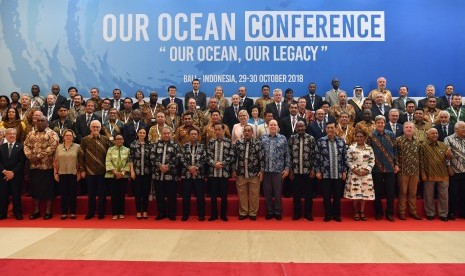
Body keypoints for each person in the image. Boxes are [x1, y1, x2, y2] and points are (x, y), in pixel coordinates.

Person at [24, 115, 59, 220]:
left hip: (47, 167)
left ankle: (48, 211)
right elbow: (26, 145)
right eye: (38, 121)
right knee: (35, 189)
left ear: (47, 122)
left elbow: (52, 147)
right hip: (33, 166)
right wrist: (30, 156)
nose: (40, 122)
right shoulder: (30, 134)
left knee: (48, 190)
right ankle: (36, 211)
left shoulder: (52, 134)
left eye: (42, 120)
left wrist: (37, 156)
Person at [366, 115, 398, 222]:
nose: (380, 124)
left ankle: (390, 213)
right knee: (377, 192)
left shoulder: (391, 134)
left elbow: (395, 151)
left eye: (382, 122)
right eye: (378, 122)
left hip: (390, 167)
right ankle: (378, 212)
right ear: (375, 124)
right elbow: (367, 152)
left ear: (385, 123)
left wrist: (396, 164)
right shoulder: (370, 136)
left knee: (390, 192)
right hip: (376, 168)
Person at [315, 122, 348, 222]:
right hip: (325, 173)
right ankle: (328, 215)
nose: (330, 129)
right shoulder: (321, 141)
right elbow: (316, 157)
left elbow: (345, 158)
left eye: (332, 128)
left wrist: (344, 171)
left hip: (338, 173)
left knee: (337, 196)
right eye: (328, 128)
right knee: (326, 196)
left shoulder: (341, 141)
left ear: (335, 129)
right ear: (326, 129)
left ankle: (336, 215)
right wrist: (317, 171)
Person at [79, 120, 110, 220]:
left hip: (102, 171)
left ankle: (101, 213)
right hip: (89, 171)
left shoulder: (105, 139)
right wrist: (82, 170)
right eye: (94, 127)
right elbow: (81, 156)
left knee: (102, 194)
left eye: (97, 127)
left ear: (100, 128)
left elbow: (109, 155)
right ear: (90, 128)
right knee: (91, 194)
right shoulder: (85, 140)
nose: (95, 129)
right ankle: (91, 212)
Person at [420, 128, 453, 221]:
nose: (435, 135)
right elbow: (421, 161)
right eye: (432, 133)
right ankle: (430, 213)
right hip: (429, 174)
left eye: (436, 133)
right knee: (428, 195)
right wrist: (422, 174)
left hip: (443, 173)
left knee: (444, 195)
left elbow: (450, 158)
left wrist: (449, 155)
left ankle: (443, 214)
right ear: (428, 135)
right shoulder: (423, 146)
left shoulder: (443, 145)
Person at [233, 124, 264, 221]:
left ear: (252, 133)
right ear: (243, 133)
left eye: (248, 131)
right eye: (245, 131)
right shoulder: (238, 143)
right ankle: (243, 212)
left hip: (254, 173)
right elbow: (234, 158)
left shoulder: (258, 143)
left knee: (254, 194)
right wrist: (234, 170)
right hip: (241, 173)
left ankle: (252, 213)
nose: (246, 132)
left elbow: (262, 158)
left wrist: (261, 170)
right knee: (242, 194)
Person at [261, 119, 290, 220]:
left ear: (277, 127)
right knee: (267, 192)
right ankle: (269, 211)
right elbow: (260, 155)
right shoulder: (263, 138)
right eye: (271, 125)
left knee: (278, 193)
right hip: (266, 170)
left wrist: (287, 169)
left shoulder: (283, 138)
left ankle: (277, 211)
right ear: (268, 126)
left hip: (278, 170)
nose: (273, 126)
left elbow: (287, 155)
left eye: (274, 125)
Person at [344, 129, 375, 221]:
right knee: (355, 194)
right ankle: (356, 211)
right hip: (354, 173)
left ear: (364, 137)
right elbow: (348, 160)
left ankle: (362, 211)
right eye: (357, 136)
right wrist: (354, 169)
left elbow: (372, 160)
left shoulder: (369, 148)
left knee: (364, 194)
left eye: (361, 136)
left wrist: (367, 170)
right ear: (355, 137)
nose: (359, 138)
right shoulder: (351, 148)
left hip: (366, 174)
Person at [288, 121, 316, 220]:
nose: (300, 128)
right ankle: (297, 213)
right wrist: (290, 170)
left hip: (308, 172)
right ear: (296, 128)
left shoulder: (311, 139)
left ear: (305, 127)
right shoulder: (292, 139)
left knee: (308, 195)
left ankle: (308, 213)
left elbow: (314, 155)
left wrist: (313, 169)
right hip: (295, 172)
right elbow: (289, 156)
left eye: (302, 126)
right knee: (296, 194)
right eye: (298, 127)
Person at [151, 127, 180, 221]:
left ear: (171, 134)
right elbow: (152, 156)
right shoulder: (155, 144)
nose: (166, 135)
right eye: (165, 133)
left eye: (168, 133)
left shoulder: (175, 145)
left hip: (171, 175)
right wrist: (159, 166)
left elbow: (178, 158)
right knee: (160, 196)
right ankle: (161, 213)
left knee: (172, 196)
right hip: (158, 175)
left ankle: (171, 214)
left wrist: (168, 167)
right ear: (161, 134)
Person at [207, 123, 234, 221]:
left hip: (224, 172)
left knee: (224, 196)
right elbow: (207, 156)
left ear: (223, 131)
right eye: (216, 130)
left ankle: (223, 215)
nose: (218, 131)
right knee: (213, 196)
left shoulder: (228, 142)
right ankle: (213, 215)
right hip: (212, 172)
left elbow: (231, 156)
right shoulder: (210, 142)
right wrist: (214, 164)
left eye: (220, 130)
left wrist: (221, 164)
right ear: (214, 131)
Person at [396, 122, 422, 220]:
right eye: (406, 127)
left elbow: (420, 156)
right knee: (403, 192)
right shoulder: (398, 140)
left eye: (410, 127)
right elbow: (396, 155)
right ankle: (401, 212)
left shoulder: (418, 141)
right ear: (403, 129)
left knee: (413, 193)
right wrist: (397, 166)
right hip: (403, 171)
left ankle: (413, 211)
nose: (408, 129)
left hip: (415, 171)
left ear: (414, 129)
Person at [53, 129, 80, 220]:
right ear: (63, 137)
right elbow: (55, 161)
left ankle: (72, 212)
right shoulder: (59, 147)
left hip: (73, 173)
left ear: (73, 137)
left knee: (73, 194)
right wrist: (55, 173)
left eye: (70, 135)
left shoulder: (77, 147)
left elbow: (80, 161)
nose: (68, 137)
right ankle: (64, 212)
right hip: (62, 173)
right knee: (63, 194)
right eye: (67, 135)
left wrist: (79, 172)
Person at [180, 128, 206, 221]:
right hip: (186, 175)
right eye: (191, 134)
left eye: (195, 134)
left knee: (200, 196)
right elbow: (181, 158)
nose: (193, 135)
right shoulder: (184, 146)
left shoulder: (202, 147)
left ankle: (201, 215)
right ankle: (185, 215)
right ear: (189, 135)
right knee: (186, 197)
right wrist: (189, 168)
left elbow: (204, 159)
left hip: (199, 175)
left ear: (198, 136)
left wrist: (196, 168)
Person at [0, 128, 25, 220]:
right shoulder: (1, 147)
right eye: (10, 134)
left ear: (16, 135)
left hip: (16, 175)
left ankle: (17, 213)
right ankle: (2, 213)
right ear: (6, 136)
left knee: (16, 195)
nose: (12, 135)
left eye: (14, 134)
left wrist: (12, 172)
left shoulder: (21, 147)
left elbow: (21, 162)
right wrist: (5, 172)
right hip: (3, 176)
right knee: (2, 195)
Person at [443, 121, 465, 220]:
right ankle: (452, 212)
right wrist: (448, 167)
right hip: (454, 170)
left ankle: (463, 212)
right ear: (456, 129)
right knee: (453, 193)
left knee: (464, 193)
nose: (464, 129)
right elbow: (446, 156)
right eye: (462, 128)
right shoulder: (448, 139)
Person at [105, 134, 130, 220]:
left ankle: (121, 213)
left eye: (121, 139)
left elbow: (129, 162)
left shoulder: (127, 150)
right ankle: (115, 213)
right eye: (117, 139)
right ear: (114, 141)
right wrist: (115, 173)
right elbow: (108, 161)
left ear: (123, 140)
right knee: (114, 195)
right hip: (112, 175)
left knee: (122, 195)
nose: (119, 140)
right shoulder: (110, 150)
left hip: (124, 175)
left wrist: (122, 173)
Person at [129, 128, 151, 219]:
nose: (142, 134)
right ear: (137, 134)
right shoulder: (133, 144)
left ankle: (145, 211)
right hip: (137, 172)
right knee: (137, 193)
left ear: (146, 134)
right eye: (140, 133)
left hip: (147, 172)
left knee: (145, 193)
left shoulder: (149, 145)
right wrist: (132, 171)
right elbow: (130, 159)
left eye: (144, 133)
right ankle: (138, 211)